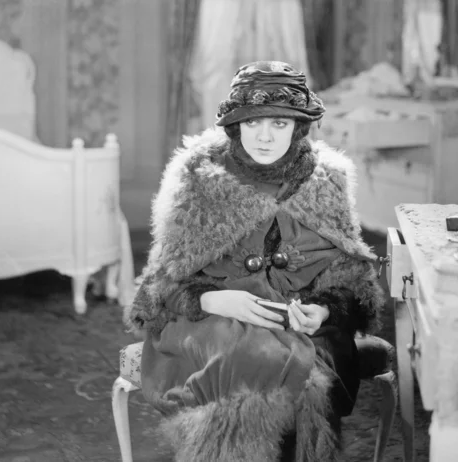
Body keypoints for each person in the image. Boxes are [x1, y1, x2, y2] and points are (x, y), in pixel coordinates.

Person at [126, 61, 385, 462]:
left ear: (299, 127)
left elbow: (352, 281)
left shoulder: (327, 179)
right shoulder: (199, 174)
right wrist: (210, 301)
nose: (264, 137)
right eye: (253, 123)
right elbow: (162, 284)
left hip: (299, 325)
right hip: (207, 322)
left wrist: (324, 309)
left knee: (301, 359)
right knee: (250, 356)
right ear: (235, 125)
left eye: (279, 125)